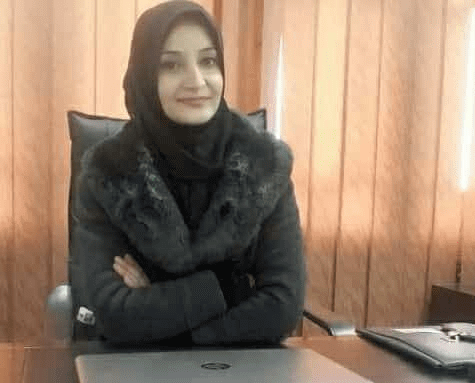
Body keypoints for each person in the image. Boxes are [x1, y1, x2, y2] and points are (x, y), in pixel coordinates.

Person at [71, 0, 305, 346]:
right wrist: (230, 287)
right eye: (171, 65)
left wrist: (161, 302)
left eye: (208, 61)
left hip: (243, 369)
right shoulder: (110, 172)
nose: (196, 81)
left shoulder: (264, 165)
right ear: (145, 75)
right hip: (139, 371)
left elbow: (282, 307)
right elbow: (115, 314)